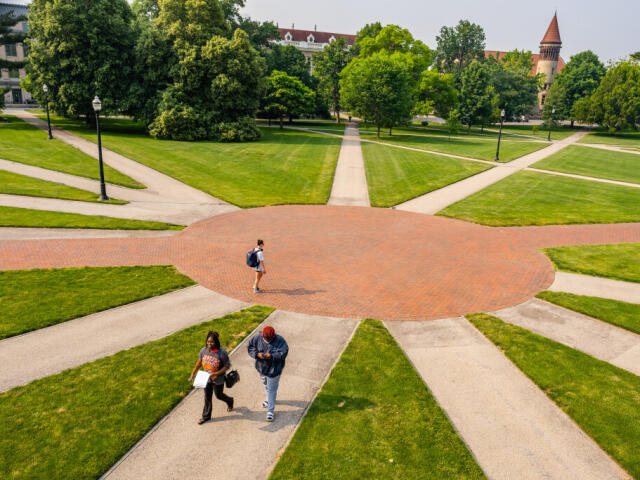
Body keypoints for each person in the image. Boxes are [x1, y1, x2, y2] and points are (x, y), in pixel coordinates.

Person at [189, 330, 234, 425]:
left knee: (219, 395)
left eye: (212, 342)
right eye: (208, 341)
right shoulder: (203, 351)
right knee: (207, 397)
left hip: (218, 379)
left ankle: (230, 401)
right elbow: (199, 362)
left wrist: (217, 373)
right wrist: (193, 372)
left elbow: (227, 366)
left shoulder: (222, 353)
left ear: (216, 342)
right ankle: (206, 416)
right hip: (206, 378)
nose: (209, 344)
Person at [247, 326, 288, 422]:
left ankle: (270, 411)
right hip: (262, 368)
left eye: (271, 338)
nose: (269, 340)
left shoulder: (279, 340)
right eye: (267, 338)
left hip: (274, 370)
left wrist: (272, 356)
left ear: (274, 336)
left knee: (271, 389)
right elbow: (250, 347)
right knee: (266, 385)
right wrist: (257, 354)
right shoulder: (257, 338)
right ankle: (269, 399)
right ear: (262, 336)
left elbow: (284, 352)